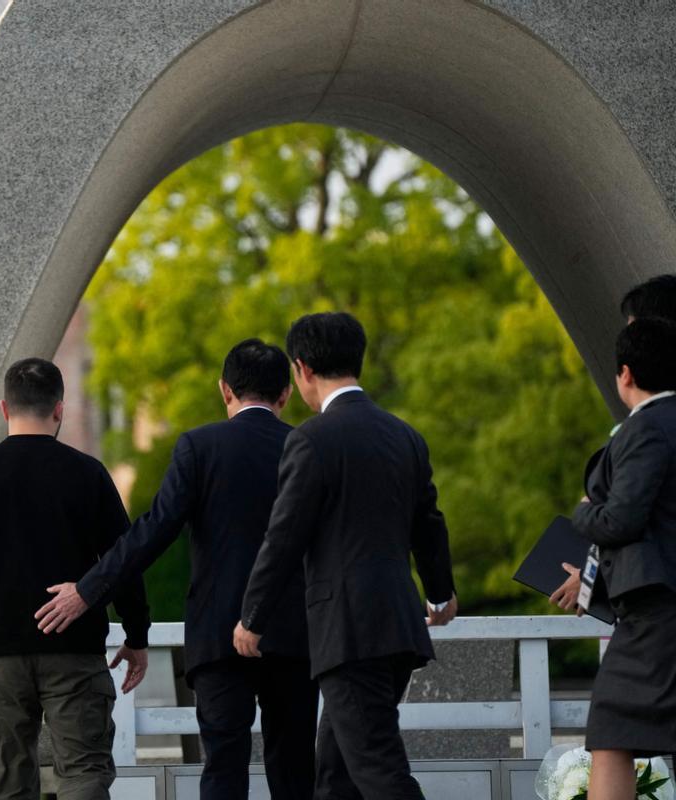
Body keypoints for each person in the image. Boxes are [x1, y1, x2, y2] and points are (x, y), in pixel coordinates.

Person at [34, 339, 316, 799]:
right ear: (285, 393)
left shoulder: (201, 446)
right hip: (295, 635)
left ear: (224, 389)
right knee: (297, 770)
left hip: (219, 633)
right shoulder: (306, 447)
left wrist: (89, 590)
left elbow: (155, 530)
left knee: (223, 766)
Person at [234, 312, 457, 800]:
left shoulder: (311, 439)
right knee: (335, 777)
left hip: (349, 630)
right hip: (398, 622)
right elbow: (429, 524)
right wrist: (441, 595)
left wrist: (252, 617)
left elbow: (284, 537)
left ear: (302, 369)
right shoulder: (405, 436)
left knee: (378, 769)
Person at [0, 357, 151, 800]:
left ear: (4, 409)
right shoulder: (87, 474)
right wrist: (136, 632)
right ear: (60, 409)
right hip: (75, 648)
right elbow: (122, 559)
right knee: (84, 773)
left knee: (8, 782)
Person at [549, 317, 676, 800]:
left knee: (610, 727)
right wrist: (589, 584)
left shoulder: (645, 429)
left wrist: (584, 514)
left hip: (655, 613)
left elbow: (622, 520)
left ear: (625, 374)